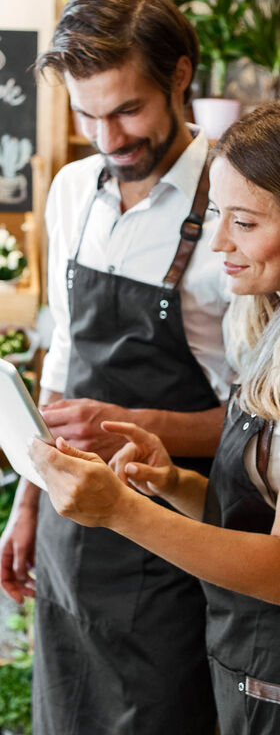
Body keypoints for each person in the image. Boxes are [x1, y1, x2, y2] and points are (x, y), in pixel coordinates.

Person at [0, 0, 233, 735]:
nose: (108, 138)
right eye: (86, 113)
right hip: (73, 534)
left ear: (180, 75)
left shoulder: (234, 208)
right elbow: (63, 351)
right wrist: (29, 501)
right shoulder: (72, 190)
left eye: (128, 109)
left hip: (177, 537)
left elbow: (259, 427)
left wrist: (135, 420)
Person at [30, 101, 280, 735]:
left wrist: (121, 510)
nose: (219, 241)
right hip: (239, 656)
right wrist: (172, 484)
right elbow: (250, 514)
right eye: (217, 214)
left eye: (245, 222)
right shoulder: (263, 329)